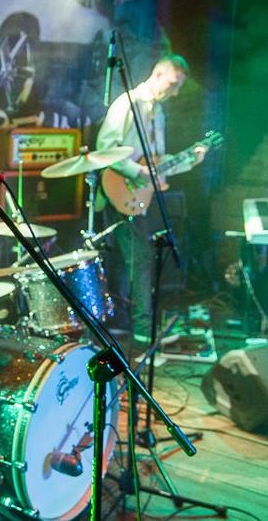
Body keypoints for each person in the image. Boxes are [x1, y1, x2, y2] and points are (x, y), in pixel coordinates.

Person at [95, 54, 204, 342]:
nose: (175, 92)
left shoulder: (159, 113)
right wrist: (137, 171)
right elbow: (105, 149)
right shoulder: (128, 104)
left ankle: (127, 324)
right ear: (157, 75)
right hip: (120, 189)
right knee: (139, 260)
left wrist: (188, 160)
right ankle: (143, 331)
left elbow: (157, 162)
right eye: (172, 84)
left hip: (140, 194)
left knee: (134, 260)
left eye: (179, 86)